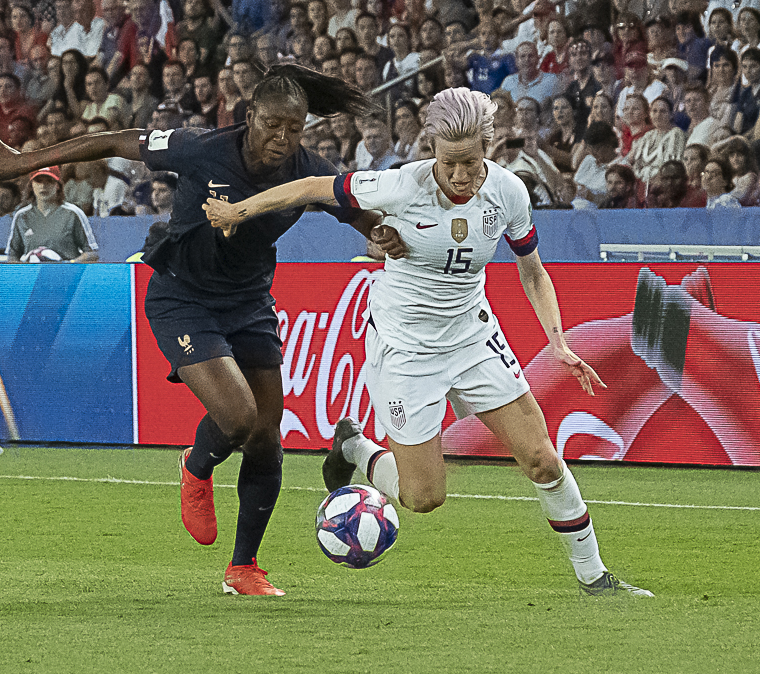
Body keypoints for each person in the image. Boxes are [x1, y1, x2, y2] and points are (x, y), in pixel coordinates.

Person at [0, 64, 401, 597]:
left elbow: (357, 213)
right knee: (239, 418)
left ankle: (244, 569)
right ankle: (195, 466)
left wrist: (387, 237)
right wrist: (25, 160)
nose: (283, 139)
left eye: (295, 129)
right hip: (181, 296)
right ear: (250, 116)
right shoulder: (201, 147)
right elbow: (116, 141)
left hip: (250, 301)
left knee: (265, 437)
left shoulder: (308, 171)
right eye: (273, 126)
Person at [202, 87, 654, 598]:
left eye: (471, 162)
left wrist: (558, 341)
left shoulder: (508, 193)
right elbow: (309, 186)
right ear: (433, 150)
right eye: (450, 162)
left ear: (489, 148)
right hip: (407, 349)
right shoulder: (399, 185)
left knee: (543, 460)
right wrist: (239, 211)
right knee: (422, 498)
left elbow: (533, 270)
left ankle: (595, 577)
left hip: (473, 338)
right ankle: (355, 446)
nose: (461, 175)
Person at [5, 166, 99, 262]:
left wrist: (70, 264)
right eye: (38, 181)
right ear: (31, 185)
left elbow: (92, 254)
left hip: (65, 275)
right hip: (34, 275)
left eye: (49, 181)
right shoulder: (22, 216)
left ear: (57, 185)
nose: (43, 186)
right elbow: (12, 256)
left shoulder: (73, 213)